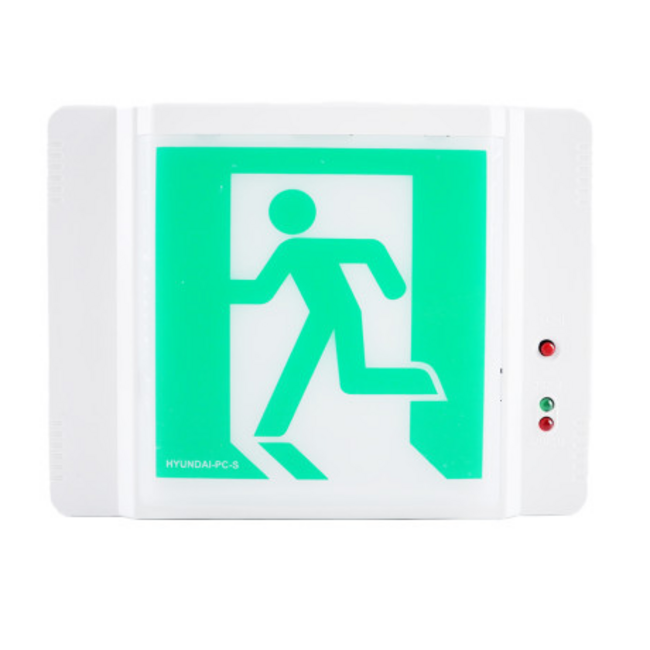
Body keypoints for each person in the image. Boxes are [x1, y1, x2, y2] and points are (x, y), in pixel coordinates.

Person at [230, 189, 437, 438]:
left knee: (348, 378)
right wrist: (392, 286)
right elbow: (371, 250)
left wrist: (392, 286)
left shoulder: (291, 249)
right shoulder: (292, 249)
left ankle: (271, 427)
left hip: (339, 314)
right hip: (329, 315)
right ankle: (271, 427)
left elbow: (260, 291)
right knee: (351, 378)